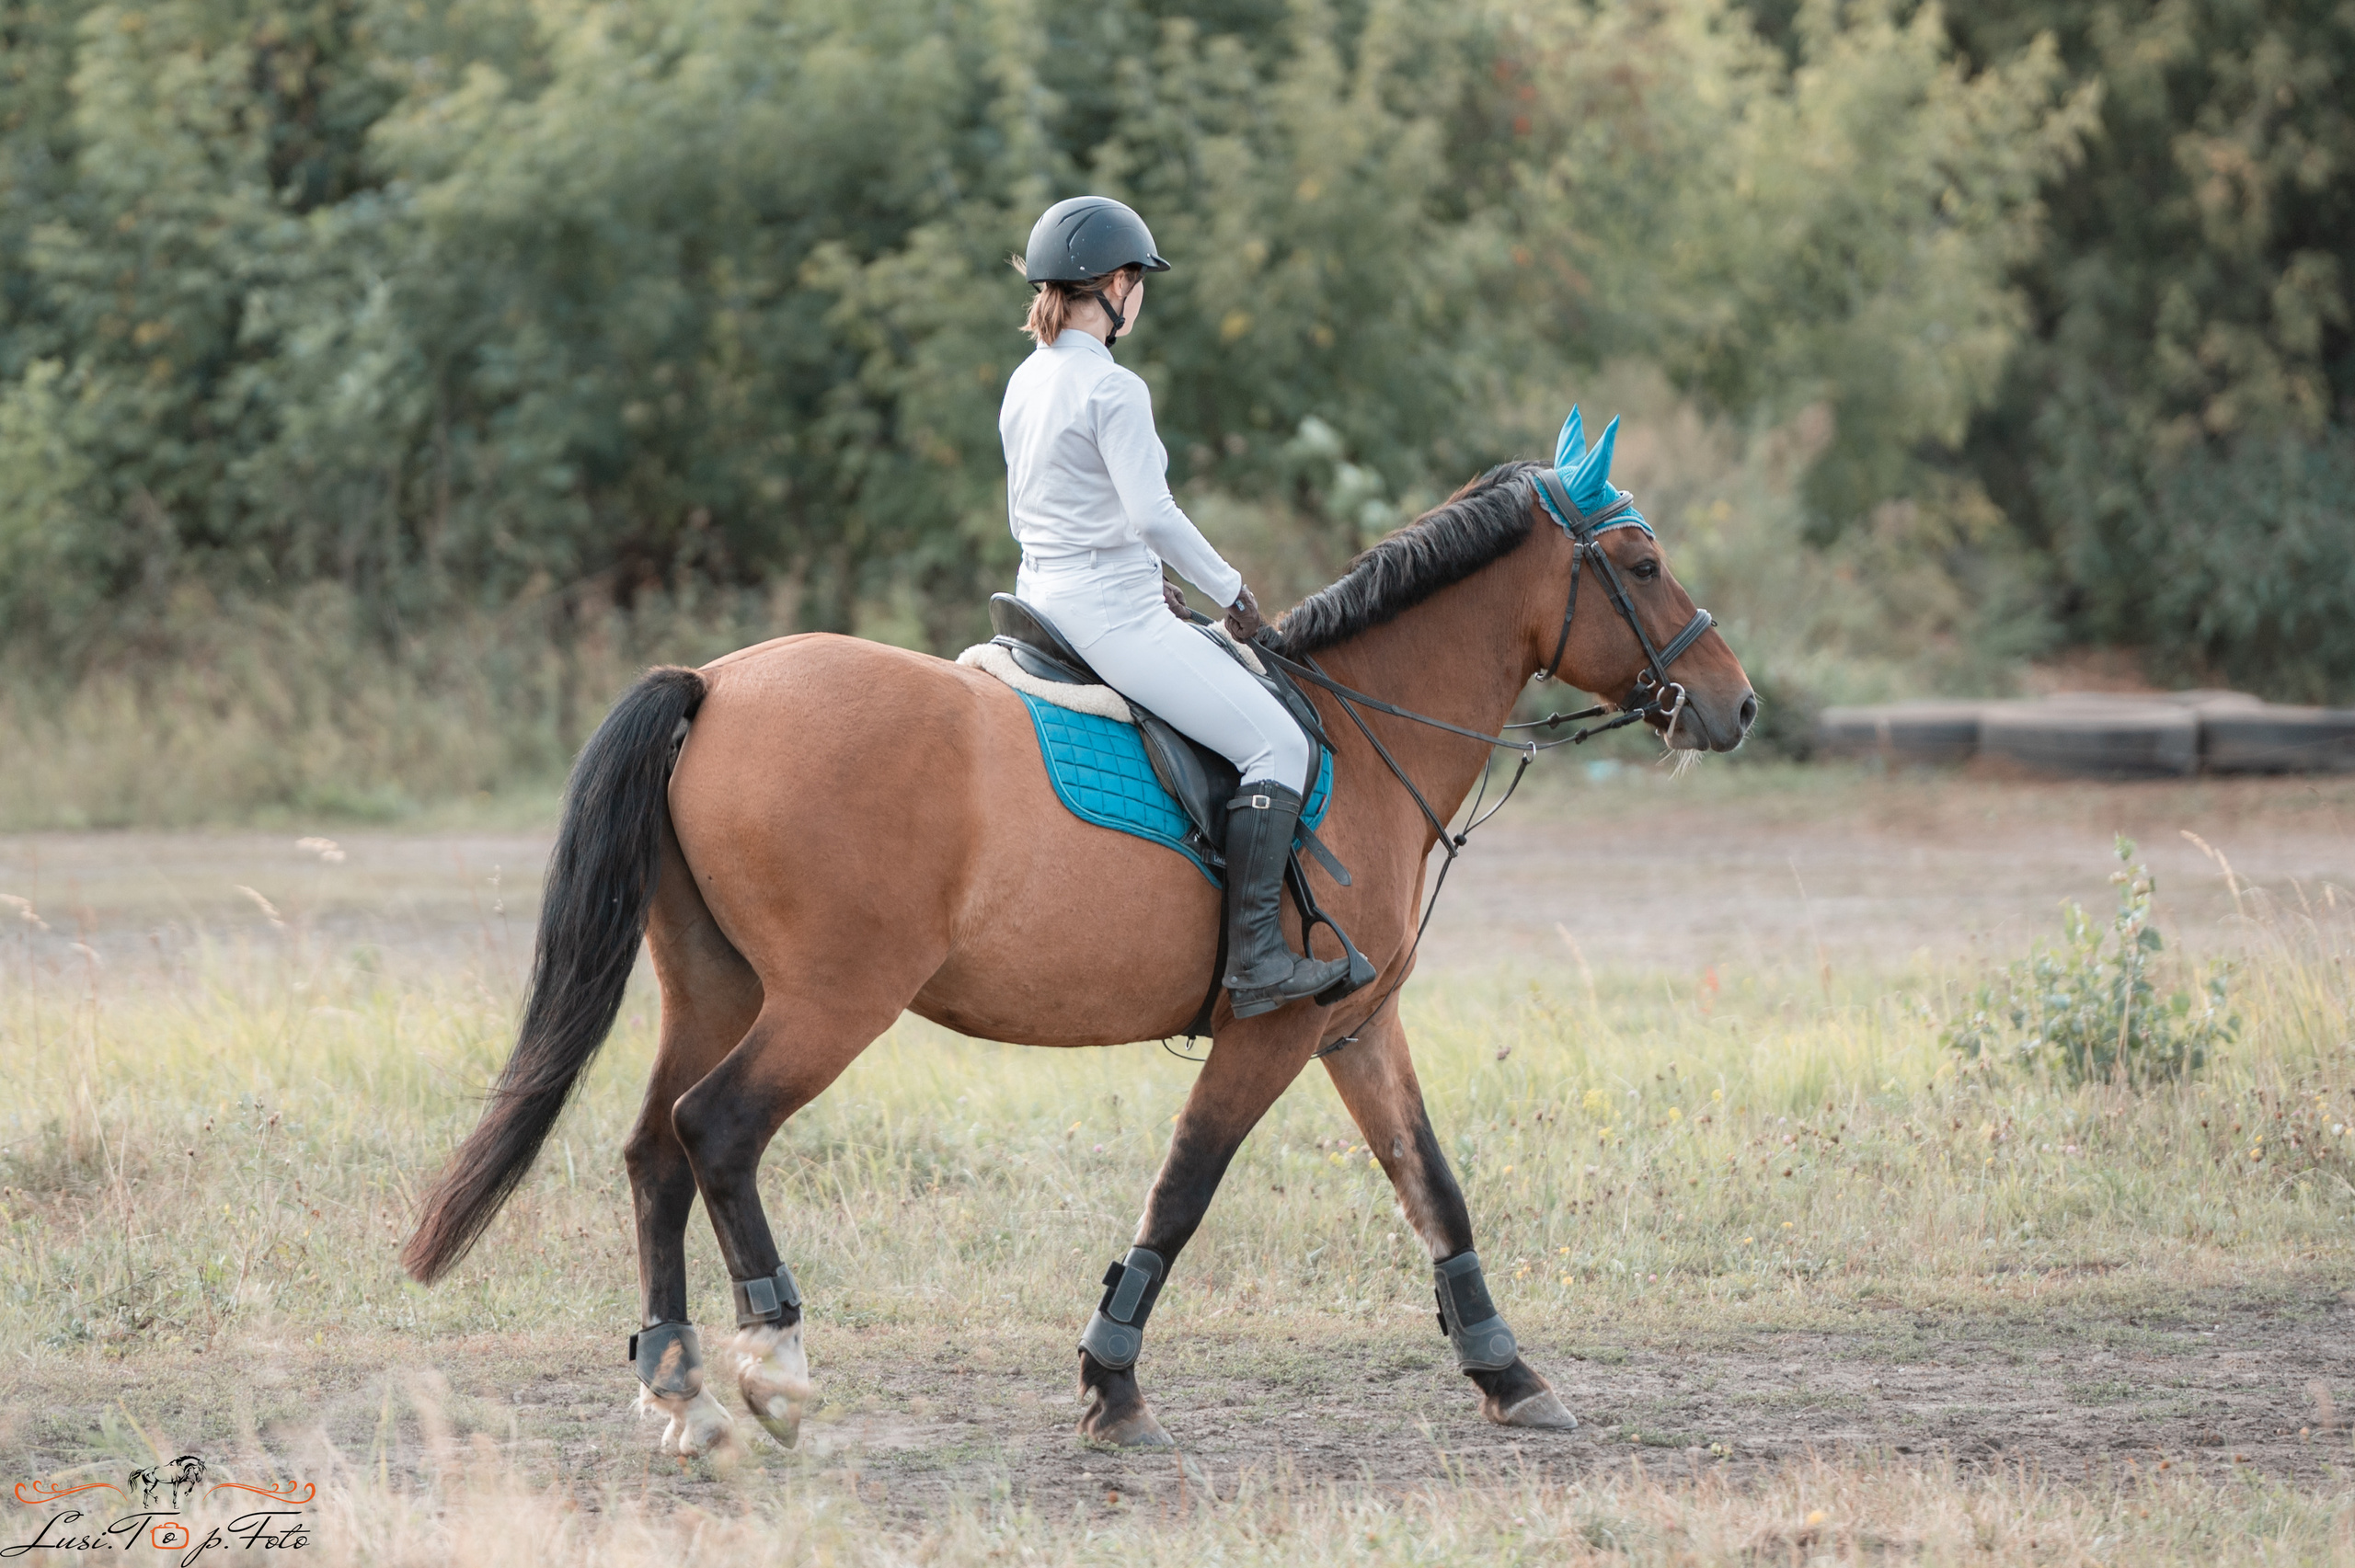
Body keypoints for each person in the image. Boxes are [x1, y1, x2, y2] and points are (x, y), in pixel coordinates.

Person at [999, 195, 1346, 1019]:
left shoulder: (1026, 378)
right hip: (1110, 616)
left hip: (1040, 596)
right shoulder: (1113, 388)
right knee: (1277, 743)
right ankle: (1258, 956)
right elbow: (1152, 515)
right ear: (1116, 285)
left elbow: (1059, 503)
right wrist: (1231, 591)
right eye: (1140, 281)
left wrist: (1141, 568)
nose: (1141, 295)